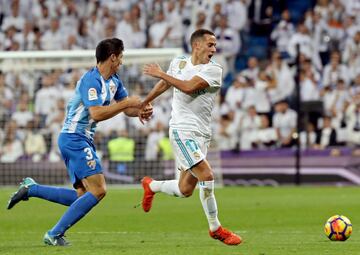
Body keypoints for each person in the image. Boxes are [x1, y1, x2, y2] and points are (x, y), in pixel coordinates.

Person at [7, 38, 153, 246]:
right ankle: (54, 234)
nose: (121, 61)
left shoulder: (114, 81)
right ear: (112, 57)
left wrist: (139, 110)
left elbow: (124, 106)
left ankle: (32, 189)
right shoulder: (90, 81)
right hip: (74, 138)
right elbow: (97, 113)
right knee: (99, 190)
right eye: (120, 57)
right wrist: (128, 104)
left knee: (82, 197)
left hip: (80, 139)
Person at [140, 29, 242, 246]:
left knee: (185, 189)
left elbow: (187, 87)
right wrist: (145, 101)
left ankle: (152, 186)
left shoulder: (214, 70)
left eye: (215, 46)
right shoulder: (179, 62)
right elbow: (166, 84)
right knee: (207, 174)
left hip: (202, 133)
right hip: (181, 130)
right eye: (210, 45)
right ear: (197, 45)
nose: (214, 49)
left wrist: (161, 73)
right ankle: (216, 228)